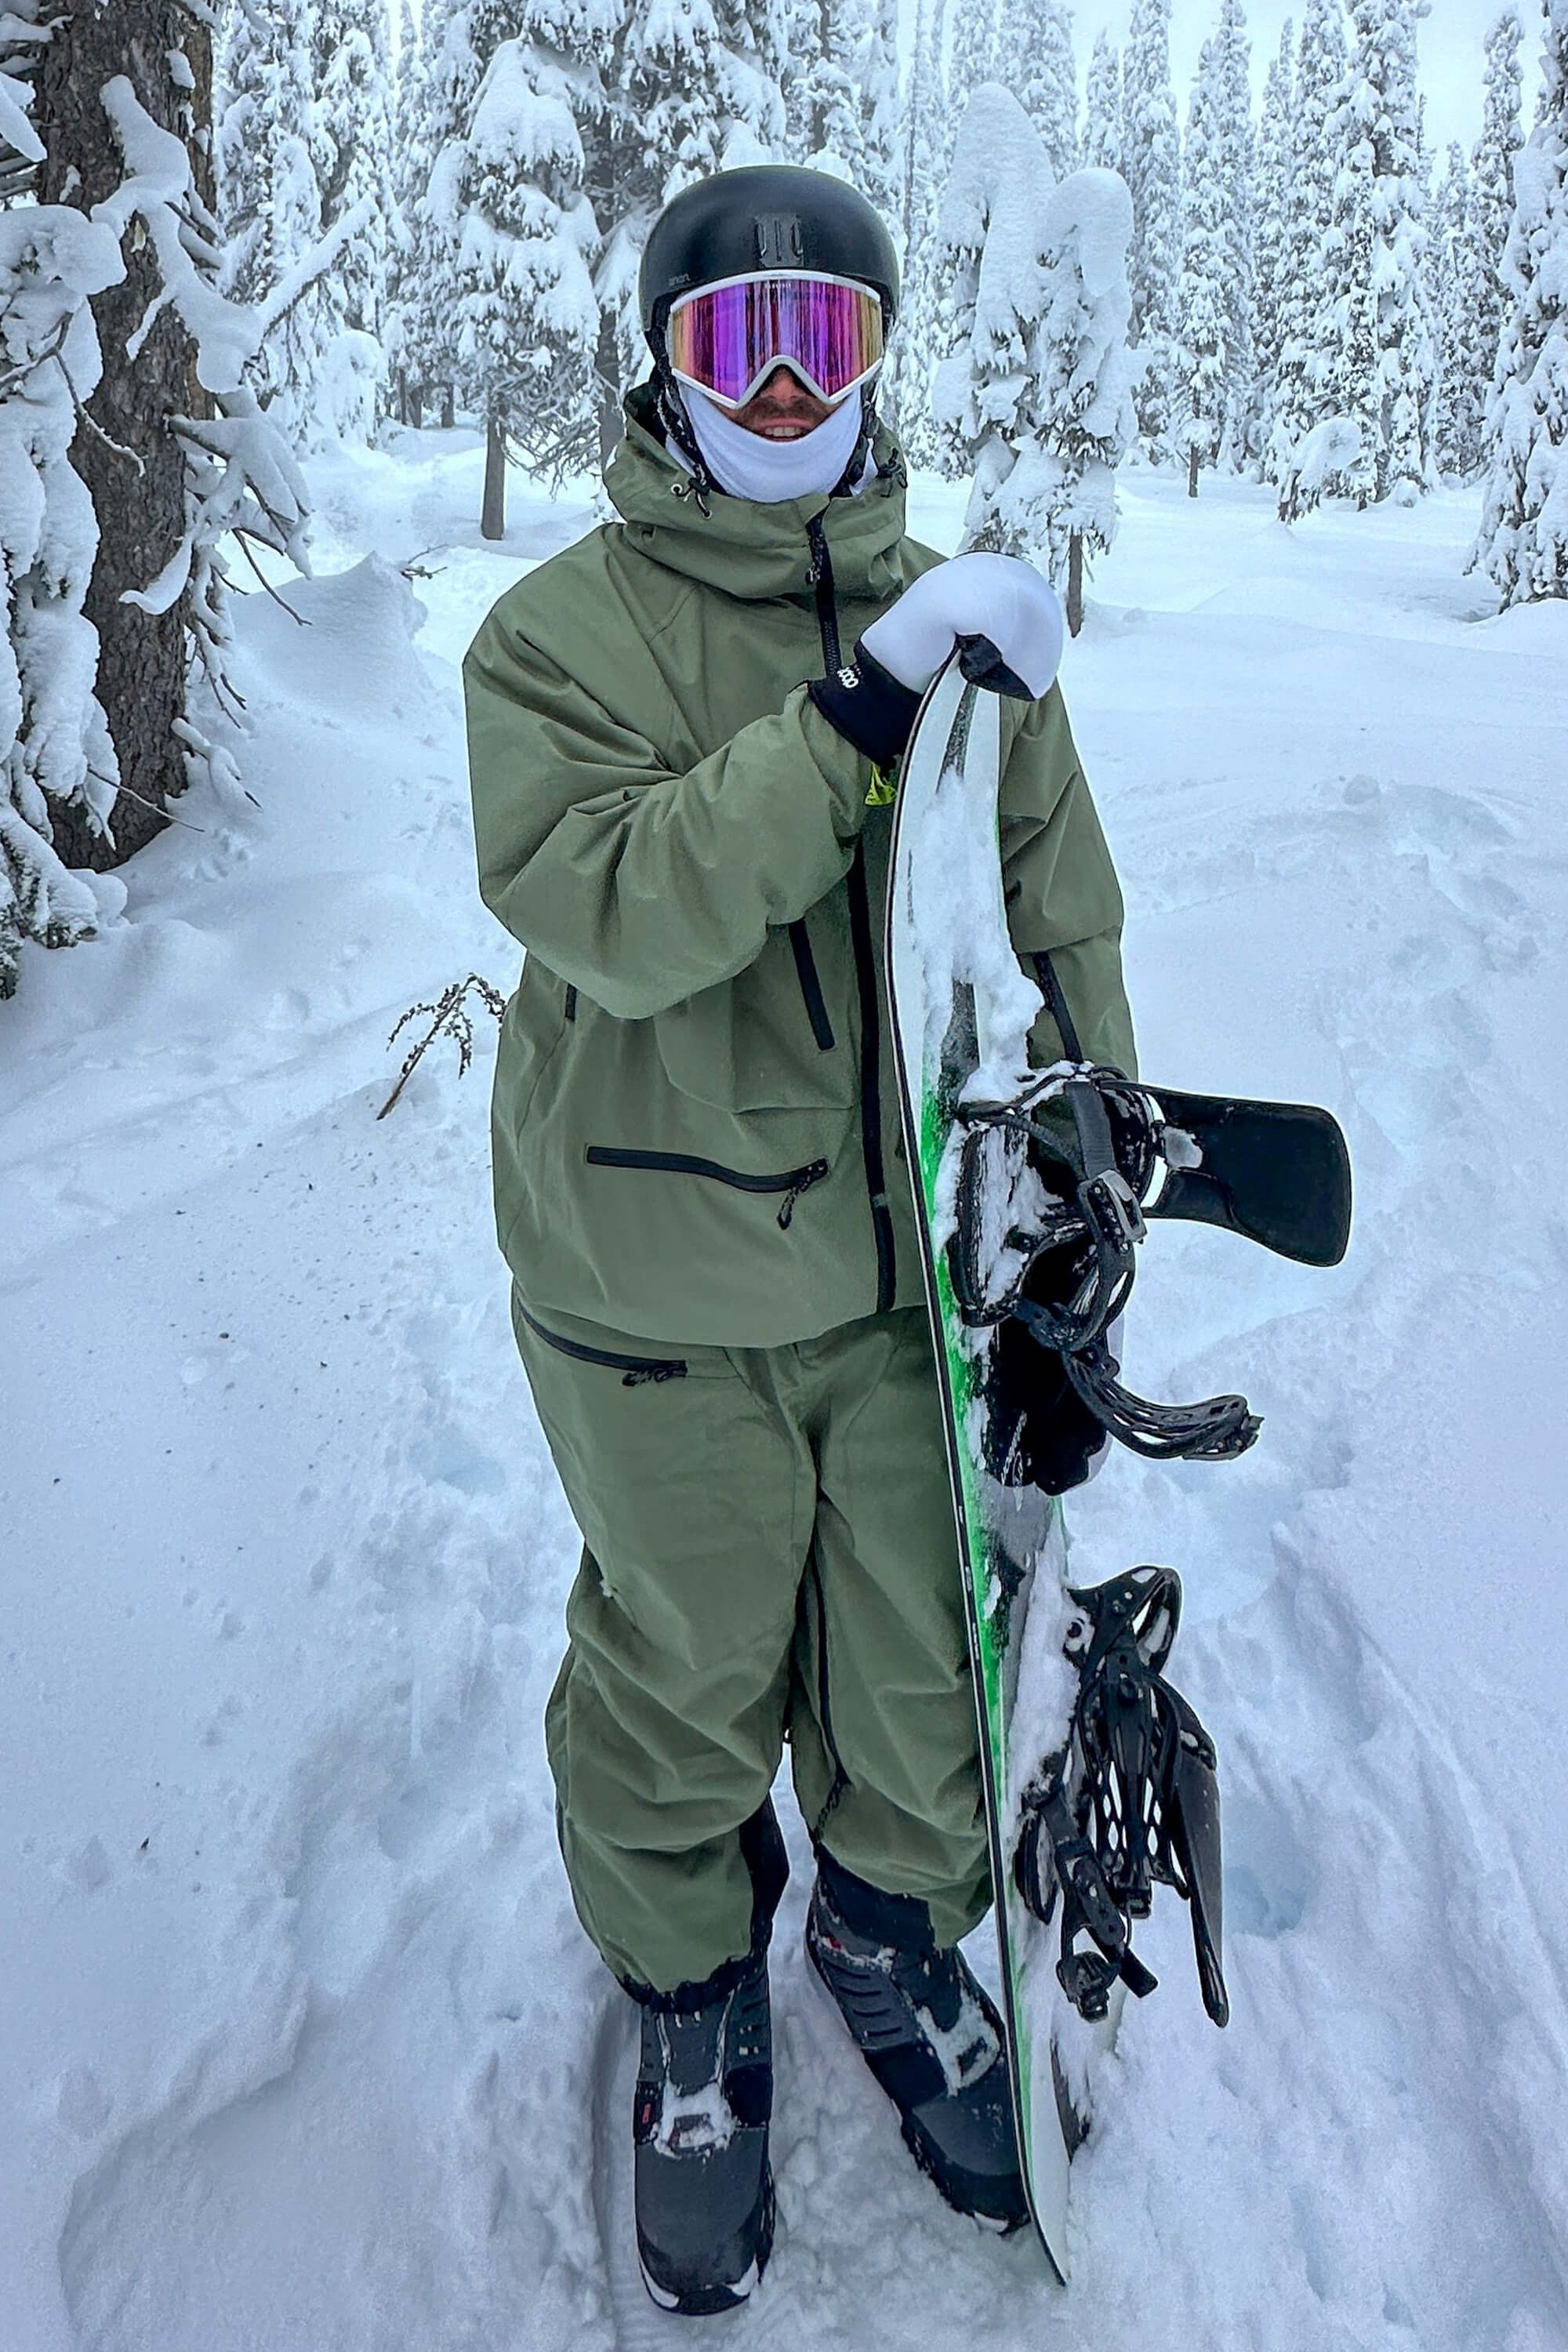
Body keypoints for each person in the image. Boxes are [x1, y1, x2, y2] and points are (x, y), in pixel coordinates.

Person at [463, 165, 1134, 2317]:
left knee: (921, 1701)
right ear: (662, 371)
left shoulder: (970, 626)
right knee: (680, 1685)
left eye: (819, 342)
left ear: (876, 362)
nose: (776, 388)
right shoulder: (555, 637)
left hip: (898, 1297)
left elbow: (1062, 919)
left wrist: (1083, 1205)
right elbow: (623, 905)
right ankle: (688, 2001)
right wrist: (852, 712)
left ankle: (876, 1926)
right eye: (731, 343)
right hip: (652, 1303)